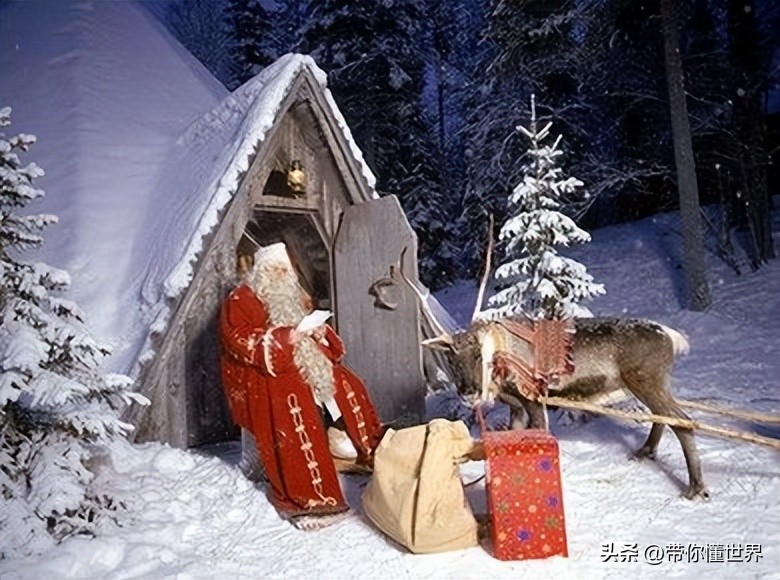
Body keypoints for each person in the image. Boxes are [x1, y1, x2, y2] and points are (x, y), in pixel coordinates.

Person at [219, 242, 384, 529]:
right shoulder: (241, 299)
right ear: (262, 271)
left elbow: (306, 327)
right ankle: (310, 495)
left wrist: (318, 333)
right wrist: (288, 337)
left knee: (348, 384)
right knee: (294, 402)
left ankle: (367, 449)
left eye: (285, 270)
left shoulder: (292, 297)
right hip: (260, 373)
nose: (282, 275)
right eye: (275, 270)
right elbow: (240, 341)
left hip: (300, 362)